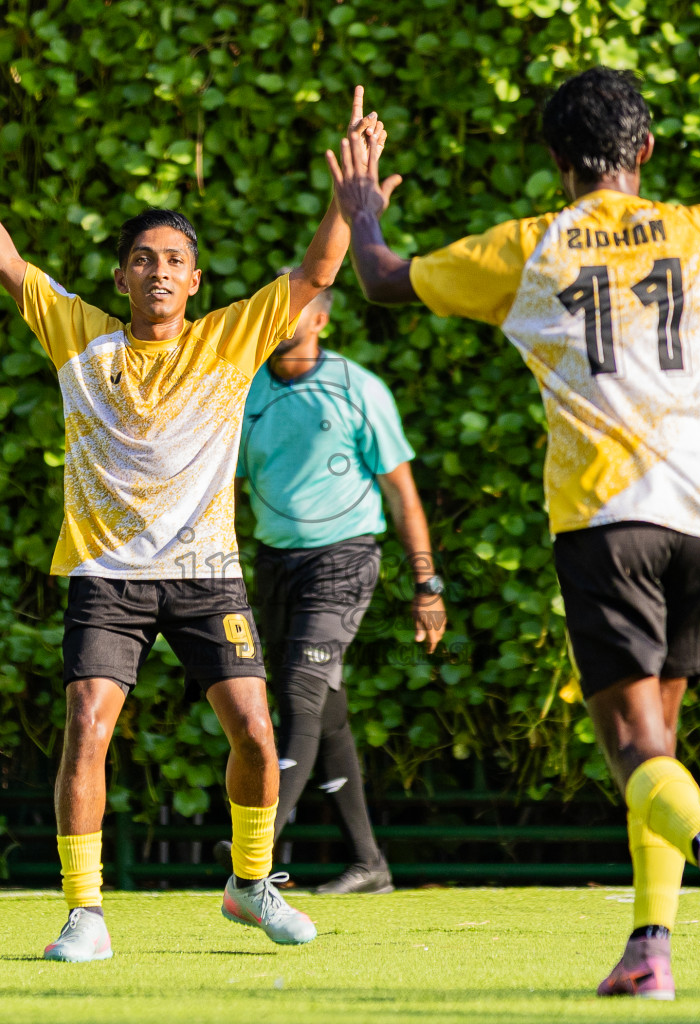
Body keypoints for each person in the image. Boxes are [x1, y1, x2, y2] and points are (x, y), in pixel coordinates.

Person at [328, 63, 700, 997]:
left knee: (631, 750)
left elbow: (383, 281)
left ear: (555, 159)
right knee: (659, 741)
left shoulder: (530, 246)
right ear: (647, 151)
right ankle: (650, 952)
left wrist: (360, 205)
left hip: (604, 518)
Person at [0, 77, 386, 962]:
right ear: (123, 275)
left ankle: (249, 885)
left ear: (195, 281)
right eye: (144, 258)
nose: (160, 270)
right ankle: (84, 914)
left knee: (256, 730)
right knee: (87, 726)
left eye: (174, 260)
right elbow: (5, 260)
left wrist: (347, 192)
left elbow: (319, 272)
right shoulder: (79, 337)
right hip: (105, 577)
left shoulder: (230, 338)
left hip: (208, 574)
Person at [218, 279, 447, 895]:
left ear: (319, 320)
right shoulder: (247, 390)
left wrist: (427, 582)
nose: (281, 318)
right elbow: (228, 490)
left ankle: (254, 848)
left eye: (294, 309)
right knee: (326, 712)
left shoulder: (360, 389)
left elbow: (402, 491)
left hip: (345, 560)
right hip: (274, 564)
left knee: (297, 691)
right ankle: (369, 863)